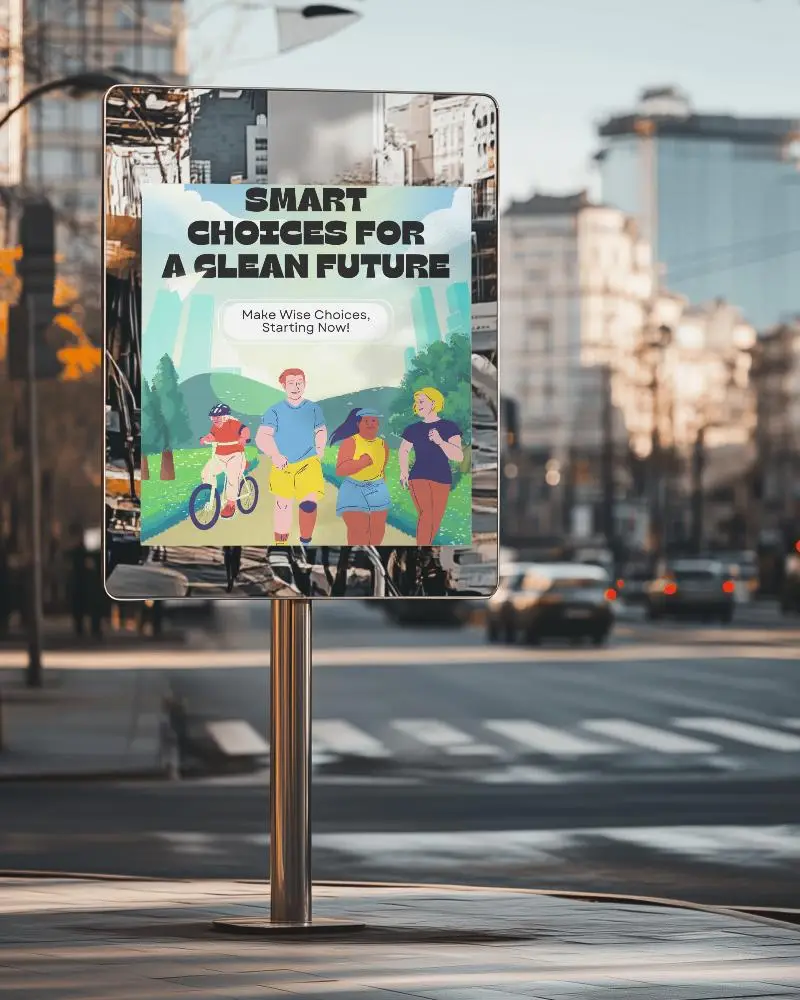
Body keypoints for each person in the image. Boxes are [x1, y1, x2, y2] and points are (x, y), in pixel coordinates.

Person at [255, 368, 326, 544]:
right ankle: (281, 543)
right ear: (284, 386)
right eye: (291, 383)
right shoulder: (274, 411)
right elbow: (262, 436)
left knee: (309, 503)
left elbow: (321, 430)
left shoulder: (313, 409)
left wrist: (319, 448)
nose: (296, 387)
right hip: (283, 464)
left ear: (305, 384)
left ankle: (305, 540)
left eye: (299, 382)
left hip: (308, 462)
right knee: (283, 505)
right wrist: (275, 455)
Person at [398, 386, 464, 545]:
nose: (418, 405)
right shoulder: (412, 429)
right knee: (426, 514)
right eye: (416, 402)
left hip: (442, 478)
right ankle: (420, 549)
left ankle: (424, 549)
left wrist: (440, 442)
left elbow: (458, 456)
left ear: (434, 403)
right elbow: (403, 450)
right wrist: (404, 472)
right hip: (419, 477)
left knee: (435, 519)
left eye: (421, 401)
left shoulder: (450, 427)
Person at [330, 408, 390, 545]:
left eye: (373, 421)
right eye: (366, 421)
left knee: (377, 531)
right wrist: (361, 463)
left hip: (377, 488)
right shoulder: (351, 442)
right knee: (359, 531)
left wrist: (380, 488)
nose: (370, 424)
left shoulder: (382, 445)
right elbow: (340, 470)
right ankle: (355, 559)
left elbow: (382, 468)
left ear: (378, 424)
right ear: (358, 424)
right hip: (354, 488)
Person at [199, 403, 251, 519]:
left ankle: (231, 504)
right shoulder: (215, 427)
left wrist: (243, 438)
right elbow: (211, 436)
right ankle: (211, 494)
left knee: (232, 477)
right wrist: (205, 439)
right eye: (213, 417)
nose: (215, 420)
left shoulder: (233, 423)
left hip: (235, 455)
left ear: (225, 416)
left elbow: (245, 430)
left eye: (218, 417)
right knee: (206, 472)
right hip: (220, 457)